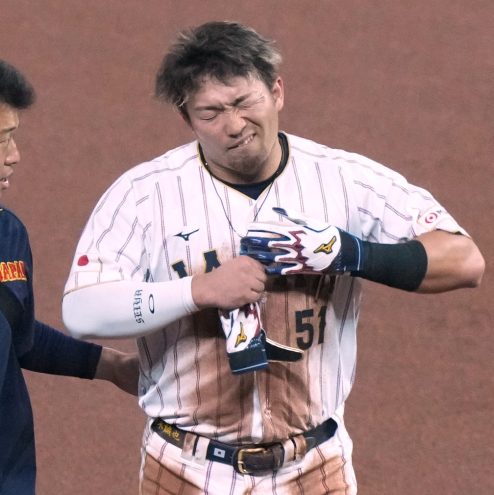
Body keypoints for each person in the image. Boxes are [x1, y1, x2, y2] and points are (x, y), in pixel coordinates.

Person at [61, 21, 485, 495]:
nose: (234, 125)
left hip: (313, 467)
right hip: (185, 468)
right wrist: (197, 290)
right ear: (187, 118)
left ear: (277, 91)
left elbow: (465, 261)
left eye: (245, 102)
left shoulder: (343, 180)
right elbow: (81, 310)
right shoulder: (144, 195)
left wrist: (347, 252)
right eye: (211, 112)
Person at [0, 59, 139, 495]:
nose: (14, 155)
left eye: (13, 136)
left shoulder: (7, 234)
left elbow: (18, 338)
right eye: (1, 140)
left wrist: (110, 366)